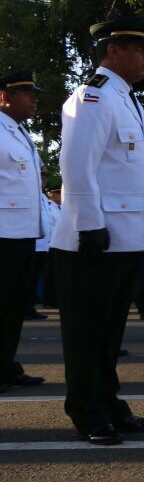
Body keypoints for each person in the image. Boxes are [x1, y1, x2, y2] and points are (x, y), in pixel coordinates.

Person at [51, 17, 144, 443]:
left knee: (109, 331)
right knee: (87, 332)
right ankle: (87, 410)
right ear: (113, 49)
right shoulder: (91, 96)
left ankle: (109, 402)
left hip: (123, 239)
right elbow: (76, 165)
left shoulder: (125, 99)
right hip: (92, 241)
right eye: (139, 49)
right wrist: (90, 226)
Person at [0, 69, 47, 390]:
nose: (34, 99)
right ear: (4, 97)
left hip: (23, 233)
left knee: (14, 308)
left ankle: (6, 366)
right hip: (3, 235)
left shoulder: (19, 132)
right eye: (26, 93)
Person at [25, 169, 54, 320]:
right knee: (27, 279)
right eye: (41, 176)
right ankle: (25, 308)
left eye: (45, 177)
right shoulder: (31, 193)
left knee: (34, 279)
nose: (44, 179)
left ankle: (29, 308)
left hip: (44, 244)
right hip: (33, 243)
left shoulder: (43, 195)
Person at [39, 181, 62, 310]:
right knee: (49, 275)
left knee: (54, 274)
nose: (60, 195)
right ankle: (48, 300)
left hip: (56, 245)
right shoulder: (49, 206)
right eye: (57, 192)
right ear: (50, 194)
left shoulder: (61, 207)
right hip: (48, 244)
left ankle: (53, 299)